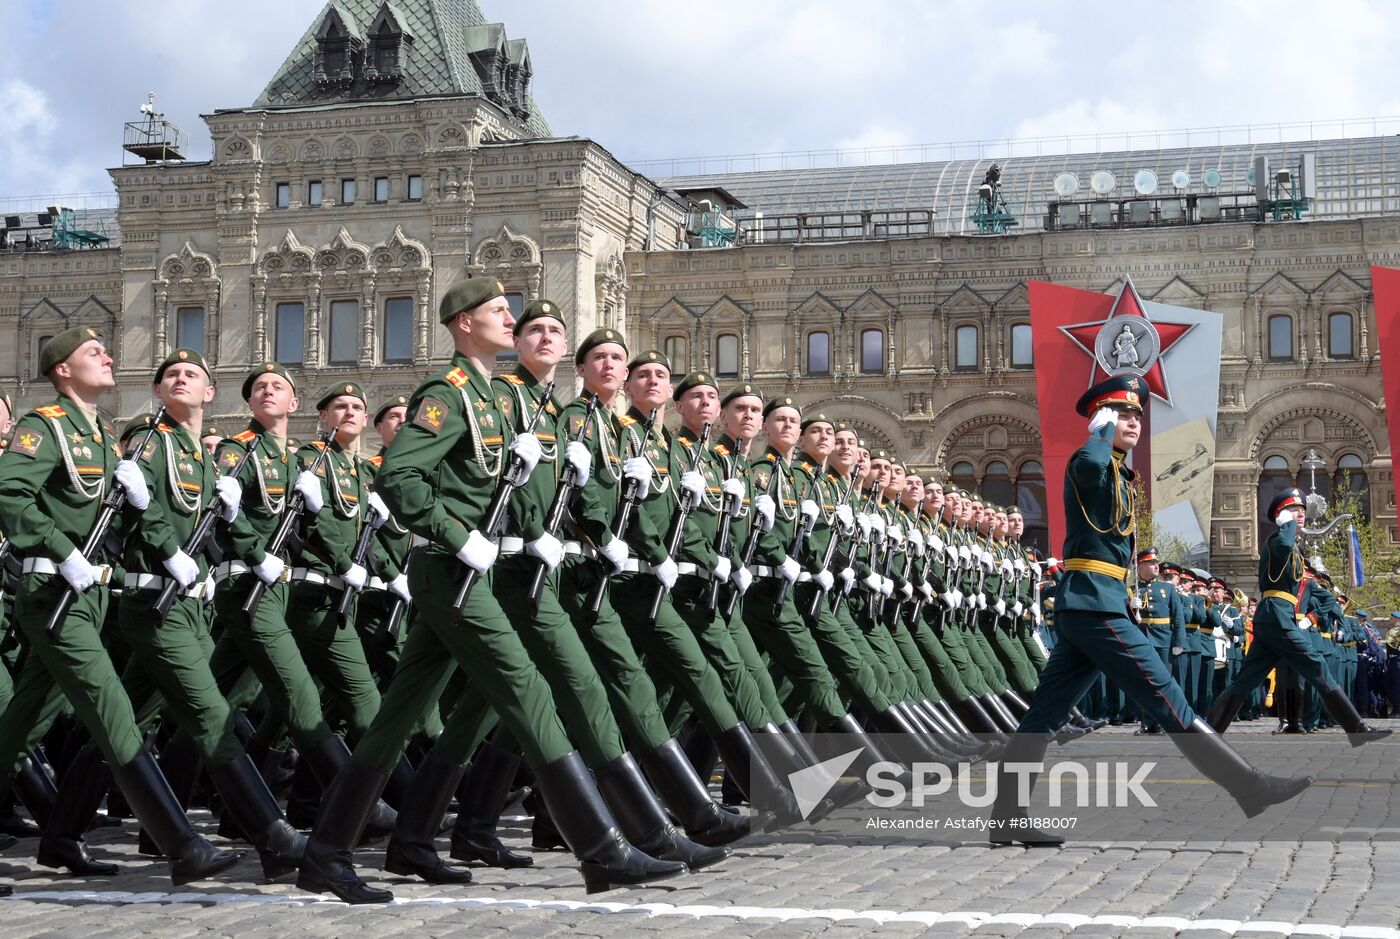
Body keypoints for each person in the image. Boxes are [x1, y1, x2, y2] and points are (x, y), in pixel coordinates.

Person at [296, 278, 686, 904]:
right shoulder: (447, 396)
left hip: (472, 571)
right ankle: (601, 850)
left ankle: (331, 852)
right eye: (498, 311)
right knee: (528, 689)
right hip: (452, 571)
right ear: (461, 323)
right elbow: (400, 476)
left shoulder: (498, 401)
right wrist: (457, 537)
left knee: (394, 721)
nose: (511, 318)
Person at [989, 375, 1313, 846]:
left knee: (1044, 714)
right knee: (1167, 697)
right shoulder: (1089, 458)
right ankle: (1250, 787)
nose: (1134, 422)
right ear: (1100, 418)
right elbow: (1092, 487)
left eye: (1138, 415)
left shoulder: (1119, 469)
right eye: (1122, 414)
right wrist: (1099, 435)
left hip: (1093, 603)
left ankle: (1006, 817)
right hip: (1097, 606)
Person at [0, 326, 242, 885]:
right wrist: (60, 550)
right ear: (62, 369)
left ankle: (60, 841)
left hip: (89, 597)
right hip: (54, 592)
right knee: (114, 714)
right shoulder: (46, 427)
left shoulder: (103, 437)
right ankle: (182, 844)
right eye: (93, 352)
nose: (107, 356)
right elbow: (9, 493)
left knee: (21, 727)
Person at [1207, 495, 1391, 746]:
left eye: (1302, 509)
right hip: (1277, 614)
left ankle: (1207, 735)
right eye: (1294, 509)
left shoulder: (1291, 545)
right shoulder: (1277, 539)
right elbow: (1282, 546)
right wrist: (1286, 525)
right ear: (1281, 515)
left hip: (1276, 615)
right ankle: (1356, 729)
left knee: (1245, 681)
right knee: (1317, 666)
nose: (1301, 513)